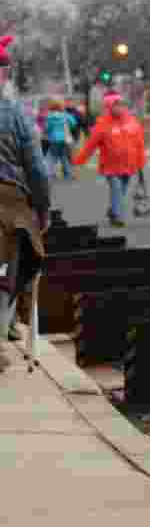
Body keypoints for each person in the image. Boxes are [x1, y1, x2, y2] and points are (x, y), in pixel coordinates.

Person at [0, 38, 50, 372]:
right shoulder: (14, 113)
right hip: (8, 202)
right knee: (8, 273)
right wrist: (43, 208)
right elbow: (36, 167)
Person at [72, 94, 146, 227]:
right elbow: (90, 145)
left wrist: (141, 163)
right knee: (117, 189)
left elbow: (139, 144)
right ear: (109, 107)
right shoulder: (102, 124)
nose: (119, 108)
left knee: (121, 191)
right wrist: (78, 161)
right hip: (110, 166)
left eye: (121, 104)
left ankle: (113, 210)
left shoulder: (132, 122)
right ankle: (118, 216)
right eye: (116, 105)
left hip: (129, 165)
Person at [44, 98, 77, 181]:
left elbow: (47, 128)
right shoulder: (66, 115)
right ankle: (68, 174)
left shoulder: (49, 116)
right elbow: (73, 124)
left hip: (54, 139)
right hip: (66, 139)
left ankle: (48, 174)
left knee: (51, 157)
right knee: (64, 156)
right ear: (62, 106)